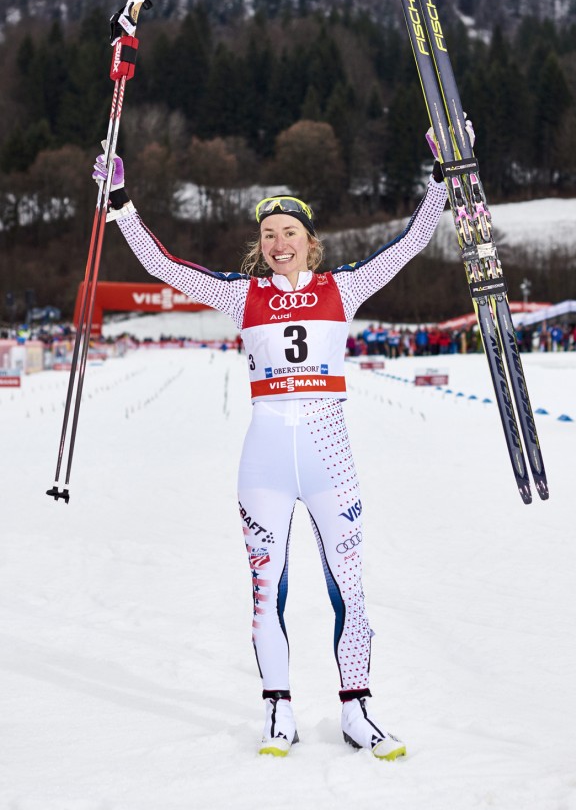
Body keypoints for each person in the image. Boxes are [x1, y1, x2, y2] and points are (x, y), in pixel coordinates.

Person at [93, 141, 448, 760]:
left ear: (311, 241)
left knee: (350, 590)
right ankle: (277, 708)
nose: (278, 242)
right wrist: (121, 202)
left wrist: (442, 177)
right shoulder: (242, 295)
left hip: (329, 458)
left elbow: (411, 242)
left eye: (289, 231)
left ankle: (357, 711)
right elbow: (166, 267)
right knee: (266, 588)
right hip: (264, 463)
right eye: (267, 235)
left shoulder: (347, 286)